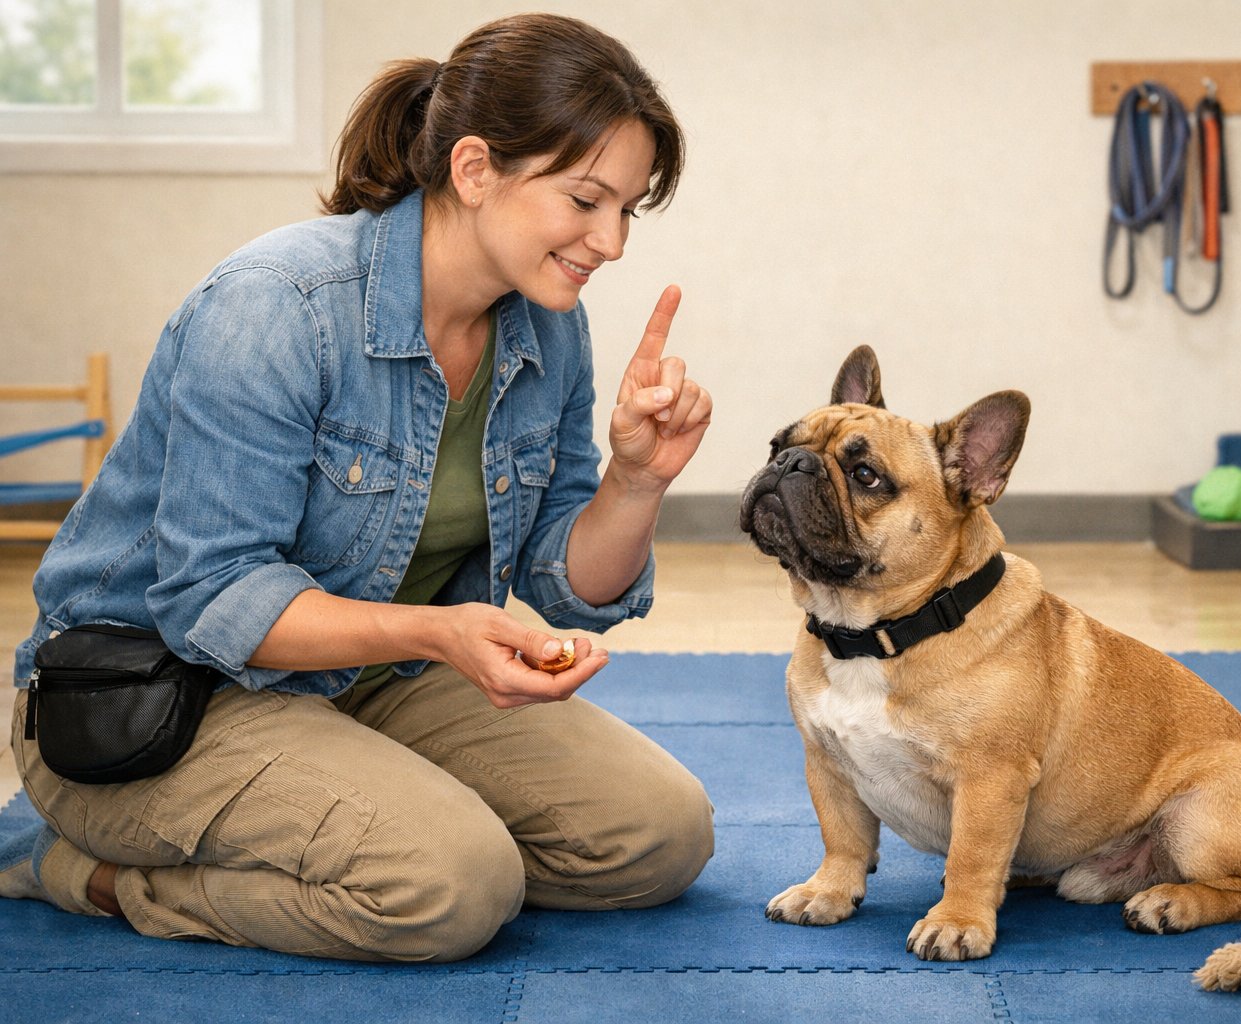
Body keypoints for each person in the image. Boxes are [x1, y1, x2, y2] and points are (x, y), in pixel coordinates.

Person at [2, 13, 714, 963]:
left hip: (374, 684)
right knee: (453, 888)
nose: (612, 242)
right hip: (158, 701)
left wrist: (636, 481)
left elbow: (561, 584)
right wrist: (439, 631)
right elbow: (214, 598)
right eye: (587, 200)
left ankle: (379, 818)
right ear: (473, 170)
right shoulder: (275, 307)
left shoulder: (550, 330)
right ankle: (77, 866)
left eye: (628, 210)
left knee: (660, 838)